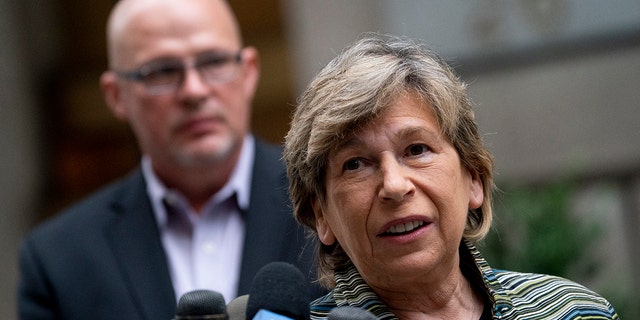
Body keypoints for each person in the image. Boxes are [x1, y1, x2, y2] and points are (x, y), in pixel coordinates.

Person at [283, 34, 619, 319]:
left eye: (416, 150)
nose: (395, 186)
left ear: (473, 178)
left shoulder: (572, 310)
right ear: (321, 215)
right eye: (355, 164)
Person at [18, 0, 317, 319]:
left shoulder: (327, 201)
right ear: (116, 95)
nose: (194, 90)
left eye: (213, 61)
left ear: (248, 73)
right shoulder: (58, 259)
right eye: (162, 71)